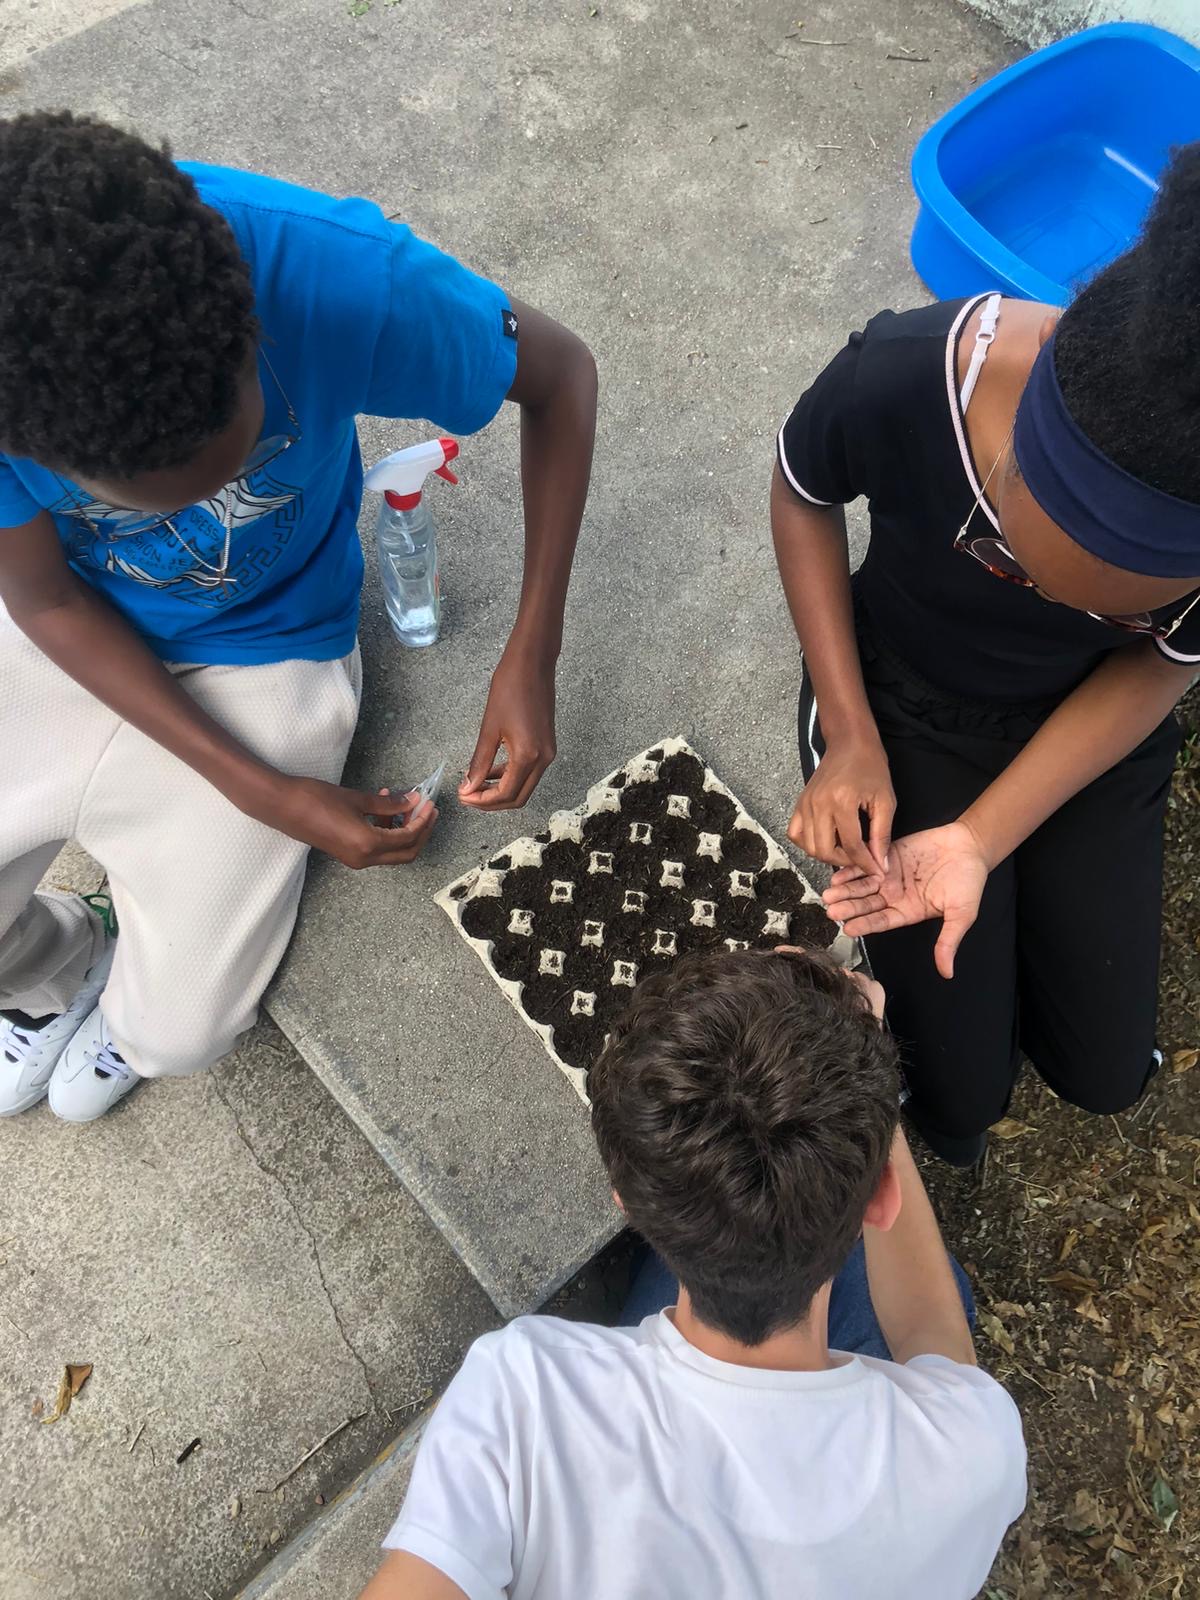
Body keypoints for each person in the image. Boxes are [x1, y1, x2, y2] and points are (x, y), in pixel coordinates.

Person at [0, 112, 596, 1123]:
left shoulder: (337, 275)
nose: (200, 512)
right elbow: (47, 597)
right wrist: (265, 791)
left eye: (229, 463)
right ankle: (52, 964)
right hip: (69, 620)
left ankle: (120, 978)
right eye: (159, 496)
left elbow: (562, 374)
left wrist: (532, 646)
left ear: (252, 321)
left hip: (270, 634)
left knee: (179, 1030)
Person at [773, 142, 1200, 1167]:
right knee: (958, 1094)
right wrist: (852, 733)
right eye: (1014, 556)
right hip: (907, 702)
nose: (1048, 595)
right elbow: (802, 493)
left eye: (1112, 606)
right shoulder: (907, 375)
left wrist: (979, 837)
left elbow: (1159, 665)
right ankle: (956, 1098)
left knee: (1103, 1075)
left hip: (1088, 725)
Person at [360, 948, 1026, 1600]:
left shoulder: (523, 1396)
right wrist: (872, 1101)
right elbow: (935, 1334)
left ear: (627, 1202)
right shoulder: (973, 1454)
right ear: (883, 1199)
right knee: (950, 1290)